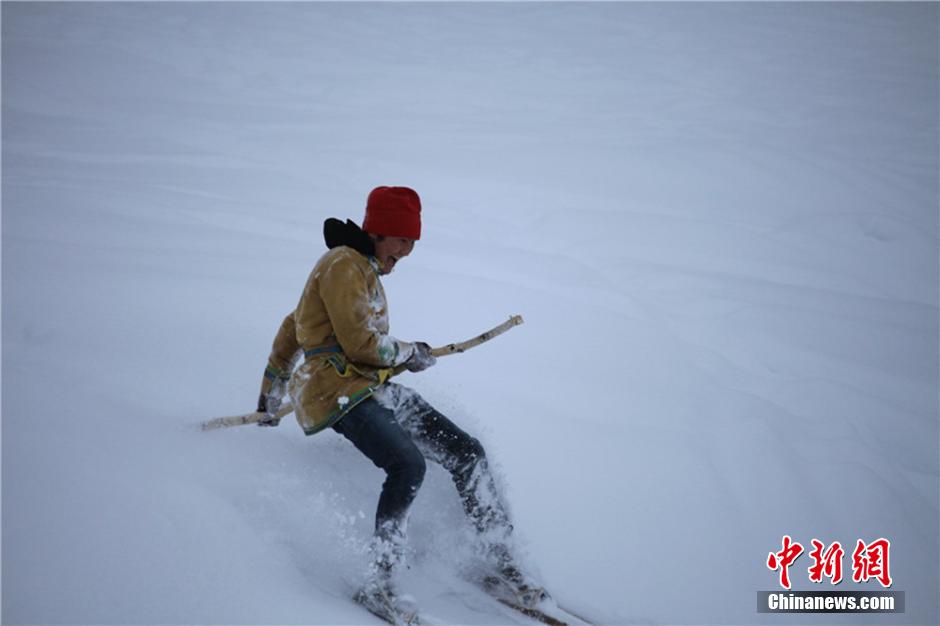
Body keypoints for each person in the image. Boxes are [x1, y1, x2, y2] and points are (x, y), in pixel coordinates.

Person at [255, 186, 543, 616]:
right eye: (402, 241)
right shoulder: (342, 265)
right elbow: (358, 344)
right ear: (378, 232)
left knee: (468, 453)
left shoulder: (360, 268)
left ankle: (498, 561)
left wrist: (271, 392)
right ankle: (381, 582)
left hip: (368, 387)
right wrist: (408, 352)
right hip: (336, 393)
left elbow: (293, 324)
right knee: (407, 465)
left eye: (412, 243)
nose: (407, 252)